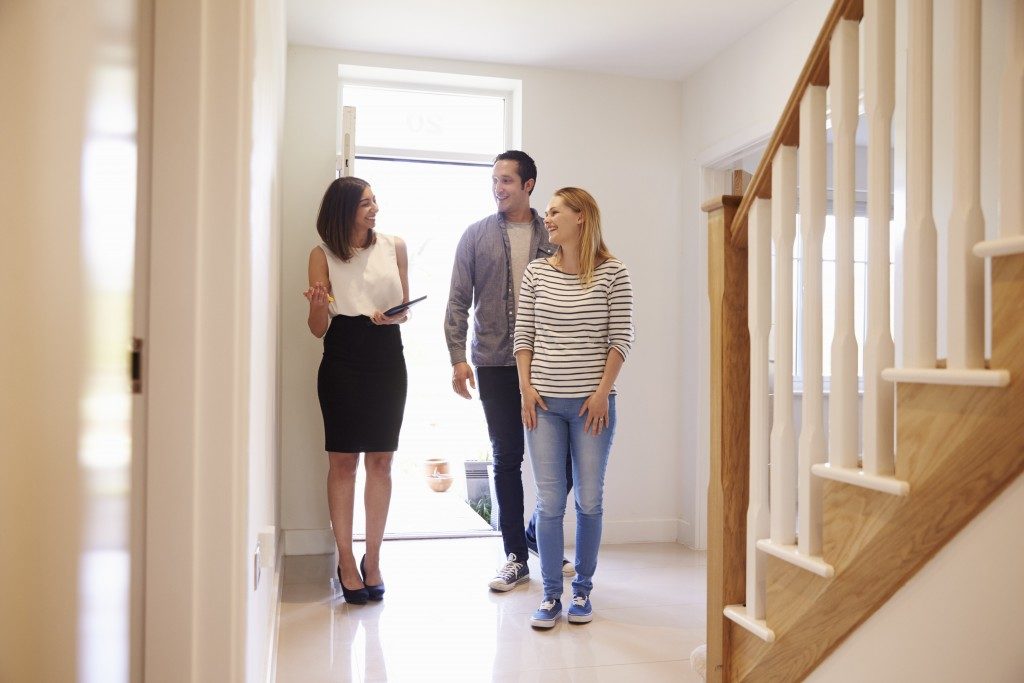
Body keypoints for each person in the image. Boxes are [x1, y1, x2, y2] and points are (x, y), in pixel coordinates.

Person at [444, 150, 575, 592]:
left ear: (529, 185)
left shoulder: (555, 236)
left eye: (507, 181)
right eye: (494, 180)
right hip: (496, 363)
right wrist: (457, 357)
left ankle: (536, 531)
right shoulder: (475, 236)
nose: (498, 188)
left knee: (564, 459)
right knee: (506, 458)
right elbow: (458, 301)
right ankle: (515, 555)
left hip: (551, 362)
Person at [514, 187, 634, 628]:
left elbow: (620, 338)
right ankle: (549, 596)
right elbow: (523, 336)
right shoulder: (536, 275)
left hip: (591, 408)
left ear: (581, 217)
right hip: (542, 405)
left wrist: (602, 393)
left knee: (588, 499)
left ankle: (581, 592)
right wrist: (525, 388)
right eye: (546, 212)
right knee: (549, 502)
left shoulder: (613, 273)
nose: (547, 219)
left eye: (555, 211)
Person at [304, 176, 410, 604]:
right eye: (366, 203)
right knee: (343, 461)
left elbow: (403, 312)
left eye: (374, 201)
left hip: (386, 353)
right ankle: (345, 559)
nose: (375, 209)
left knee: (381, 462)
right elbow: (317, 330)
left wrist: (394, 317)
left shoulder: (394, 246)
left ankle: (374, 559)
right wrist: (315, 304)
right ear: (344, 210)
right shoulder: (322, 254)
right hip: (342, 355)